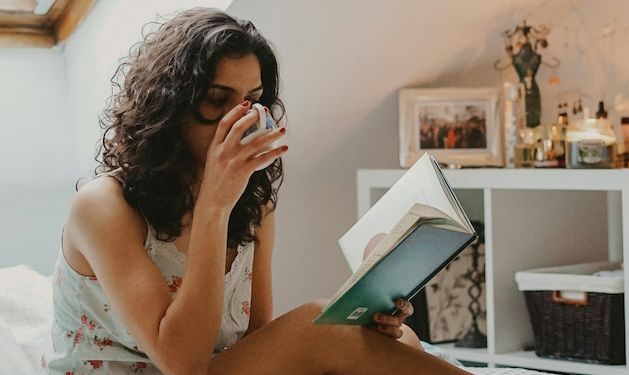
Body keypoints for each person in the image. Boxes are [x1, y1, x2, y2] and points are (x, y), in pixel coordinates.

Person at [41, 7, 473, 375]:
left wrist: (369, 326)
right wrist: (213, 205)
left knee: (401, 343)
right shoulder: (104, 207)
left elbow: (259, 344)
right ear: (169, 105)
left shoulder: (255, 201)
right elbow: (182, 362)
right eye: (217, 99)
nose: (241, 119)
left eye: (252, 100)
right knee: (317, 327)